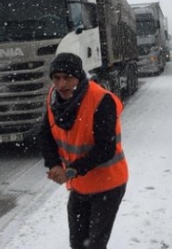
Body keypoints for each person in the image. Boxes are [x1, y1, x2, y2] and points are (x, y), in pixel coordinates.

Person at [38, 52, 128, 249]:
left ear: (79, 77)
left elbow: (105, 148)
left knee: (95, 245)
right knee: (78, 244)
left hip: (108, 183)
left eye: (67, 77)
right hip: (80, 185)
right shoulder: (53, 100)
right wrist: (54, 164)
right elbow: (45, 135)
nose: (61, 84)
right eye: (56, 78)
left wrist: (69, 171)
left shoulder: (101, 100)